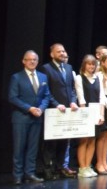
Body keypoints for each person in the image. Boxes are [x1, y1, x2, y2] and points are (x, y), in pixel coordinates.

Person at [9, 50, 52, 184]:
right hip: (21, 118)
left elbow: (47, 96)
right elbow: (13, 97)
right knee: (19, 148)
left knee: (33, 148)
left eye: (34, 60)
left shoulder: (43, 77)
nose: (32, 62)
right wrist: (29, 108)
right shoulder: (17, 77)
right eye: (29, 59)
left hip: (37, 117)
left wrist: (41, 109)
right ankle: (17, 175)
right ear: (24, 61)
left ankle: (30, 173)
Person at [39, 43, 78, 179]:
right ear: (52, 54)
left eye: (63, 51)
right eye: (58, 51)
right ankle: (48, 169)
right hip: (53, 110)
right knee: (50, 143)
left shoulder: (68, 67)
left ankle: (60, 167)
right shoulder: (46, 68)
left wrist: (73, 101)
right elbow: (46, 91)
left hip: (67, 110)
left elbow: (72, 89)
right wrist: (56, 104)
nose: (62, 53)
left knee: (64, 142)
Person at [73, 55, 103, 178]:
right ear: (84, 65)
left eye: (93, 64)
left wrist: (101, 114)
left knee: (92, 140)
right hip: (84, 113)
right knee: (84, 140)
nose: (91, 66)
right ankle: (82, 168)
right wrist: (85, 115)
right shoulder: (79, 78)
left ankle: (88, 166)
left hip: (96, 113)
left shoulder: (98, 78)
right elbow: (81, 98)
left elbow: (101, 97)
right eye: (89, 64)